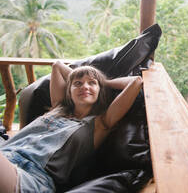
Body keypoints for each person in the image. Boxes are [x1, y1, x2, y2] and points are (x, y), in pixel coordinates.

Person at [0, 61, 143, 192]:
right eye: (78, 84)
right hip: (6, 153)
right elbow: (57, 65)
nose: (85, 86)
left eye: (92, 83)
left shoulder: (102, 123)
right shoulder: (58, 107)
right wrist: (83, 79)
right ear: (69, 90)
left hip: (32, 176)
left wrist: (104, 82)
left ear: (101, 90)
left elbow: (136, 82)